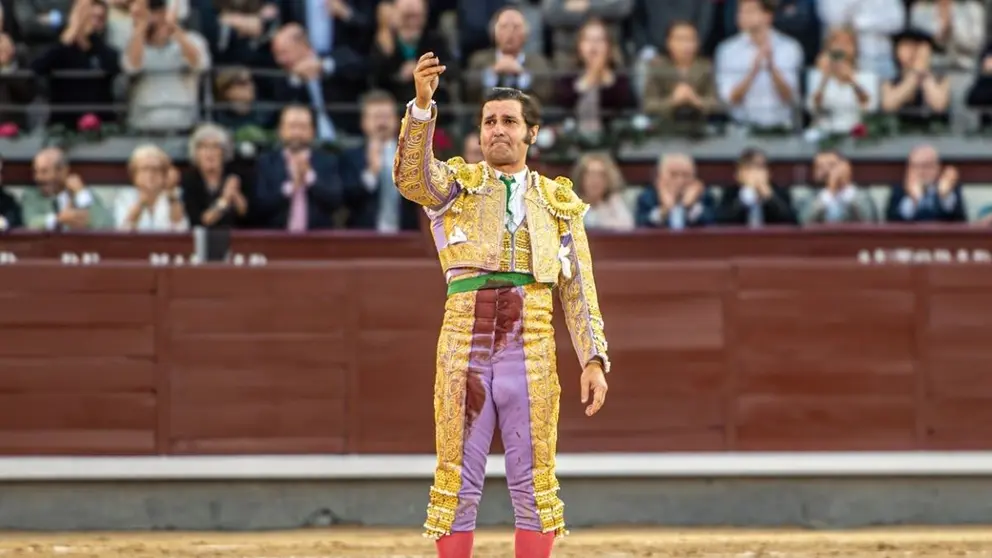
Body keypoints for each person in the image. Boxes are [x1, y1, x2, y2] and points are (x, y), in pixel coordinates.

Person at [393, 53, 611, 558]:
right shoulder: (454, 187)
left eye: (509, 121)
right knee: (455, 480)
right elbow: (410, 178)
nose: (497, 130)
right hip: (462, 345)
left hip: (530, 347)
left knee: (535, 482)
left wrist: (593, 359)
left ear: (531, 134)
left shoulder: (559, 204)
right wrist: (422, 107)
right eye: (489, 121)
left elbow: (579, 289)